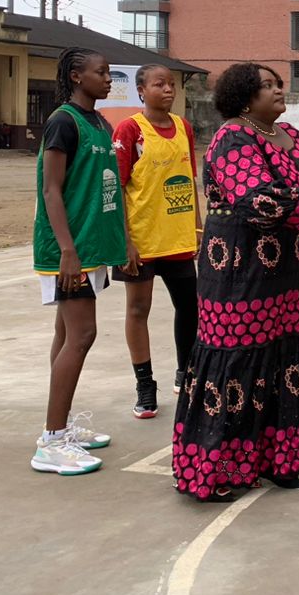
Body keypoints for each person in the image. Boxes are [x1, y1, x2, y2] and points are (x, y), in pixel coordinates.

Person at [172, 63, 299, 501]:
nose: (278, 89)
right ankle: (220, 471)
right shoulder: (232, 138)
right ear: (245, 97)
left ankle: (284, 460)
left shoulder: (290, 136)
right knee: (237, 364)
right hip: (238, 275)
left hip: (284, 274)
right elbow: (262, 200)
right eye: (267, 85)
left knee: (284, 360)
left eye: (278, 82)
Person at [30, 47, 128, 476]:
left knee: (65, 332)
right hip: (69, 250)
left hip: (93, 247)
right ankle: (51, 443)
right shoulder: (62, 122)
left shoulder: (98, 122)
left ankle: (60, 425)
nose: (108, 79)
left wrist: (124, 242)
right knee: (82, 334)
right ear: (75, 76)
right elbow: (51, 190)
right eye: (101, 72)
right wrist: (67, 251)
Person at [112, 64, 201, 419]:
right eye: (158, 84)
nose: (168, 89)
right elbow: (116, 188)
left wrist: (198, 226)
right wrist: (125, 242)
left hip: (177, 239)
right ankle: (145, 385)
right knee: (138, 311)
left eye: (171, 84)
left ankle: (187, 373)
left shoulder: (184, 128)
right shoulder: (130, 129)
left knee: (190, 307)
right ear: (141, 91)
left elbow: (190, 180)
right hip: (142, 240)